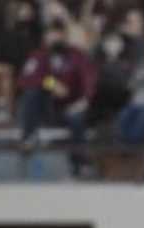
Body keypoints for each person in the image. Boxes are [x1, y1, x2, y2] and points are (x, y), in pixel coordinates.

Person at [17, 19, 97, 176]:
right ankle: (28, 138)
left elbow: (89, 79)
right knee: (31, 94)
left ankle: (79, 163)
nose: (55, 38)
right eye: (52, 34)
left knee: (77, 119)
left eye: (59, 34)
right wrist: (51, 83)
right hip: (47, 108)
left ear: (64, 36)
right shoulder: (38, 56)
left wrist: (84, 101)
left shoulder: (77, 56)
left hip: (71, 106)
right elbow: (26, 79)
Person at [0, 0, 41, 126]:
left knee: (6, 73)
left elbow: (33, 42)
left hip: (23, 60)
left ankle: (8, 113)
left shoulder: (31, 7)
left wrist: (27, 20)